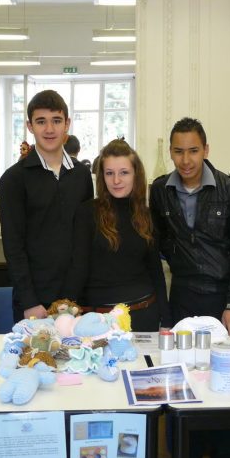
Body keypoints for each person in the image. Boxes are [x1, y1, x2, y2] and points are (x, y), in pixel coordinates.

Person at [149, 117, 230, 458]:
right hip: (182, 296)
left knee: (226, 380)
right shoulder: (159, 190)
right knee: (181, 378)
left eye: (193, 150)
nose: (186, 159)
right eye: (178, 151)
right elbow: (157, 243)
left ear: (206, 150)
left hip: (222, 299)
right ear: (171, 152)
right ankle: (185, 456)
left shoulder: (229, 189)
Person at [0, 90, 94, 323]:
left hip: (76, 298)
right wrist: (30, 301)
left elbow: (84, 240)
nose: (49, 129)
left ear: (67, 124)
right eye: (41, 122)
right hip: (33, 301)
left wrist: (72, 298)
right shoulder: (14, 179)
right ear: (30, 126)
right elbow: (13, 246)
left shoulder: (82, 175)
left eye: (56, 121)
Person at [62, 139, 171, 331]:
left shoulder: (146, 214)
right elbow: (77, 268)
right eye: (109, 173)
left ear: (136, 174)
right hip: (98, 321)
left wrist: (167, 321)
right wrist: (64, 314)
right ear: (102, 176)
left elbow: (155, 270)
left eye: (124, 173)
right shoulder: (87, 213)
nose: (116, 181)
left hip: (144, 316)